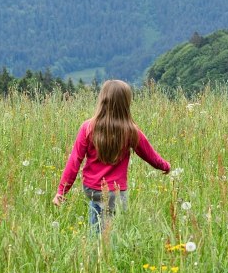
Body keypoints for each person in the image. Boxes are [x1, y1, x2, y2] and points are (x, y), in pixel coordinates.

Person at [54, 80, 170, 230]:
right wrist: (165, 166)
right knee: (114, 231)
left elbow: (74, 160)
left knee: (97, 217)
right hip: (116, 192)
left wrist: (61, 191)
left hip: (91, 189)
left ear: (102, 100)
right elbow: (150, 155)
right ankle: (107, 250)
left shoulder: (88, 128)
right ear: (126, 103)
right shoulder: (131, 131)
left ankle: (95, 247)